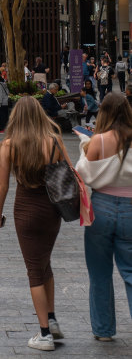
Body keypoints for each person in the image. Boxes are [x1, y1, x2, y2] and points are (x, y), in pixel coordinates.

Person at [0, 96, 74, 351]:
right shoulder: (53, 141)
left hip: (25, 209)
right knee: (45, 263)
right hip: (51, 210)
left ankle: (44, 334)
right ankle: (51, 320)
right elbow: (67, 174)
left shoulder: (9, 145)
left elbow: (3, 184)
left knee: (34, 270)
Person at [75, 93, 132, 342]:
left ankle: (103, 330)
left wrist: (84, 146)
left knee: (99, 272)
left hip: (102, 207)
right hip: (131, 207)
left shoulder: (99, 140)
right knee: (130, 271)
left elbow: (83, 173)